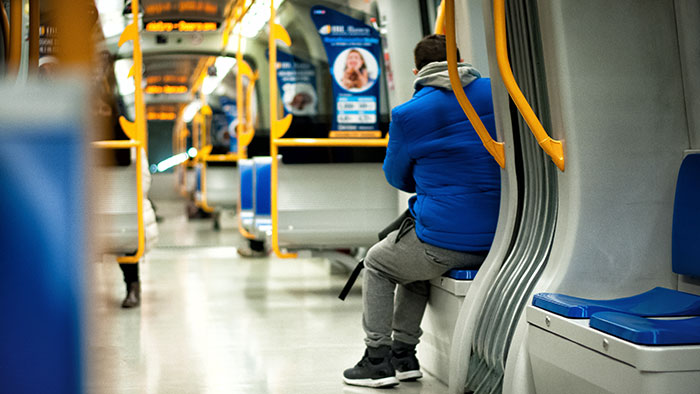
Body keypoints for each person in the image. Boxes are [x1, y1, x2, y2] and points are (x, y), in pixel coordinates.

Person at [342, 34, 501, 388]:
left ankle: (377, 359)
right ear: (461, 60)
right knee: (413, 265)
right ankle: (404, 355)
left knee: (380, 262)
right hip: (506, 236)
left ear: (418, 70)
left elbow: (397, 176)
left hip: (445, 240)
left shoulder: (408, 113)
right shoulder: (496, 93)